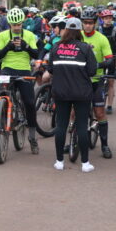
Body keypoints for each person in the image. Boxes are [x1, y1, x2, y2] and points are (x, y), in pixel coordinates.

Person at [48, 17, 98, 173]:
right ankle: (85, 164)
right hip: (81, 92)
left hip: (61, 92)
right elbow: (92, 71)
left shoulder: (56, 47)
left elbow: (50, 69)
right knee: (82, 127)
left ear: (66, 30)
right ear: (79, 31)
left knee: (61, 126)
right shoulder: (85, 48)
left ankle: (59, 162)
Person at [0, 8, 40, 154]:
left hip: (24, 70)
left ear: (22, 22)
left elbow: (36, 54)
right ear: (9, 24)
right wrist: (8, 47)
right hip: (7, 69)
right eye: (14, 25)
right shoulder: (3, 35)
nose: (17, 27)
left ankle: (32, 137)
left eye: (19, 24)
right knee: (0, 95)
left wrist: (26, 46)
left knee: (30, 103)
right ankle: (0, 118)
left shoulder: (30, 35)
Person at [81, 7, 114, 159]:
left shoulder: (102, 38)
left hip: (96, 81)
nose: (87, 25)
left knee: (99, 113)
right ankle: (73, 141)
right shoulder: (77, 37)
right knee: (74, 113)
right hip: (79, 81)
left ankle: (105, 145)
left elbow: (109, 59)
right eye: (85, 23)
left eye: (90, 23)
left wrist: (97, 66)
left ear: (95, 23)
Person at [98, 9, 116, 114]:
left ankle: (109, 105)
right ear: (102, 19)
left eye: (110, 18)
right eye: (106, 18)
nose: (108, 20)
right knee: (98, 80)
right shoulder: (98, 30)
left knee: (111, 82)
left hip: (112, 58)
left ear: (112, 19)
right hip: (100, 59)